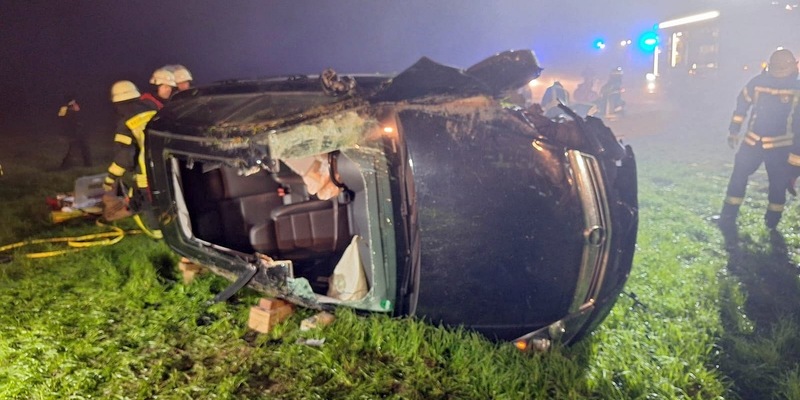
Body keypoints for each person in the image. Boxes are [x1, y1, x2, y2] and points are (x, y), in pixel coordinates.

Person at [719, 48, 800, 230]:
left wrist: (795, 161)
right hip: (753, 142)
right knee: (739, 176)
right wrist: (734, 129)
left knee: (778, 185)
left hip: (780, 147)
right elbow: (742, 105)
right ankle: (729, 215)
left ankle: (771, 222)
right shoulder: (758, 83)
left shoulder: (796, 88)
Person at [102, 80, 158, 222]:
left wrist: (111, 178)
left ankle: (157, 235)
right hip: (167, 162)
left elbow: (125, 157)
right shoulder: (152, 108)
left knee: (150, 204)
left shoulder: (125, 122)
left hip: (147, 171)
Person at [57, 94, 91, 168]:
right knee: (74, 149)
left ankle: (88, 164)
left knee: (83, 148)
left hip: (77, 130)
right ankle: (65, 165)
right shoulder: (64, 108)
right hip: (72, 131)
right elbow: (62, 118)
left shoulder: (74, 106)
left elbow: (78, 112)